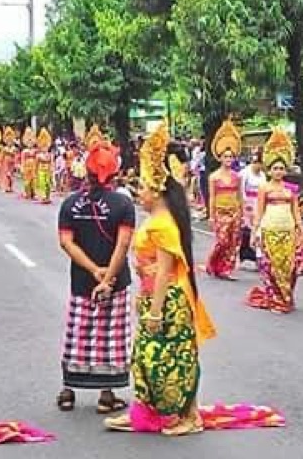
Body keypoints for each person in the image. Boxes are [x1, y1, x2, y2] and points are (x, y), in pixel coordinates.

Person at [103, 121, 216, 435]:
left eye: (142, 187)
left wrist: (155, 311)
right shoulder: (155, 219)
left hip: (168, 301)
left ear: (156, 190)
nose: (138, 192)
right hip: (151, 296)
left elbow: (166, 270)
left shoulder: (164, 224)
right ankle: (144, 413)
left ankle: (188, 417)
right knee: (144, 357)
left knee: (173, 359)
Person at [57, 125, 135, 414]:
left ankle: (68, 392)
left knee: (78, 332)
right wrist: (108, 276)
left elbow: (66, 242)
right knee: (110, 336)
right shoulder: (123, 204)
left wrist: (93, 271)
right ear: (114, 173)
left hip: (81, 280)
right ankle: (106, 395)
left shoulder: (70, 203)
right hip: (116, 281)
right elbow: (123, 244)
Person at [246, 128, 303, 314]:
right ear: (269, 170)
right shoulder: (264, 188)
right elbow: (259, 211)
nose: (278, 172)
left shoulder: (291, 190)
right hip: (269, 230)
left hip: (288, 231)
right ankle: (276, 298)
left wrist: (301, 229)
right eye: (275, 168)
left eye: (281, 168)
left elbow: (295, 211)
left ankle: (286, 296)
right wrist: (255, 232)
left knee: (289, 267)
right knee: (271, 266)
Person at [204, 119, 244, 280]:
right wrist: (211, 216)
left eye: (231, 157)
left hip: (234, 212)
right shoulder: (214, 177)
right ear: (220, 158)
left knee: (233, 242)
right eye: (226, 157)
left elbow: (240, 196)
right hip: (220, 212)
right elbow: (212, 197)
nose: (228, 159)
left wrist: (241, 213)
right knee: (222, 241)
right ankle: (213, 263)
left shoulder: (237, 177)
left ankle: (226, 269)